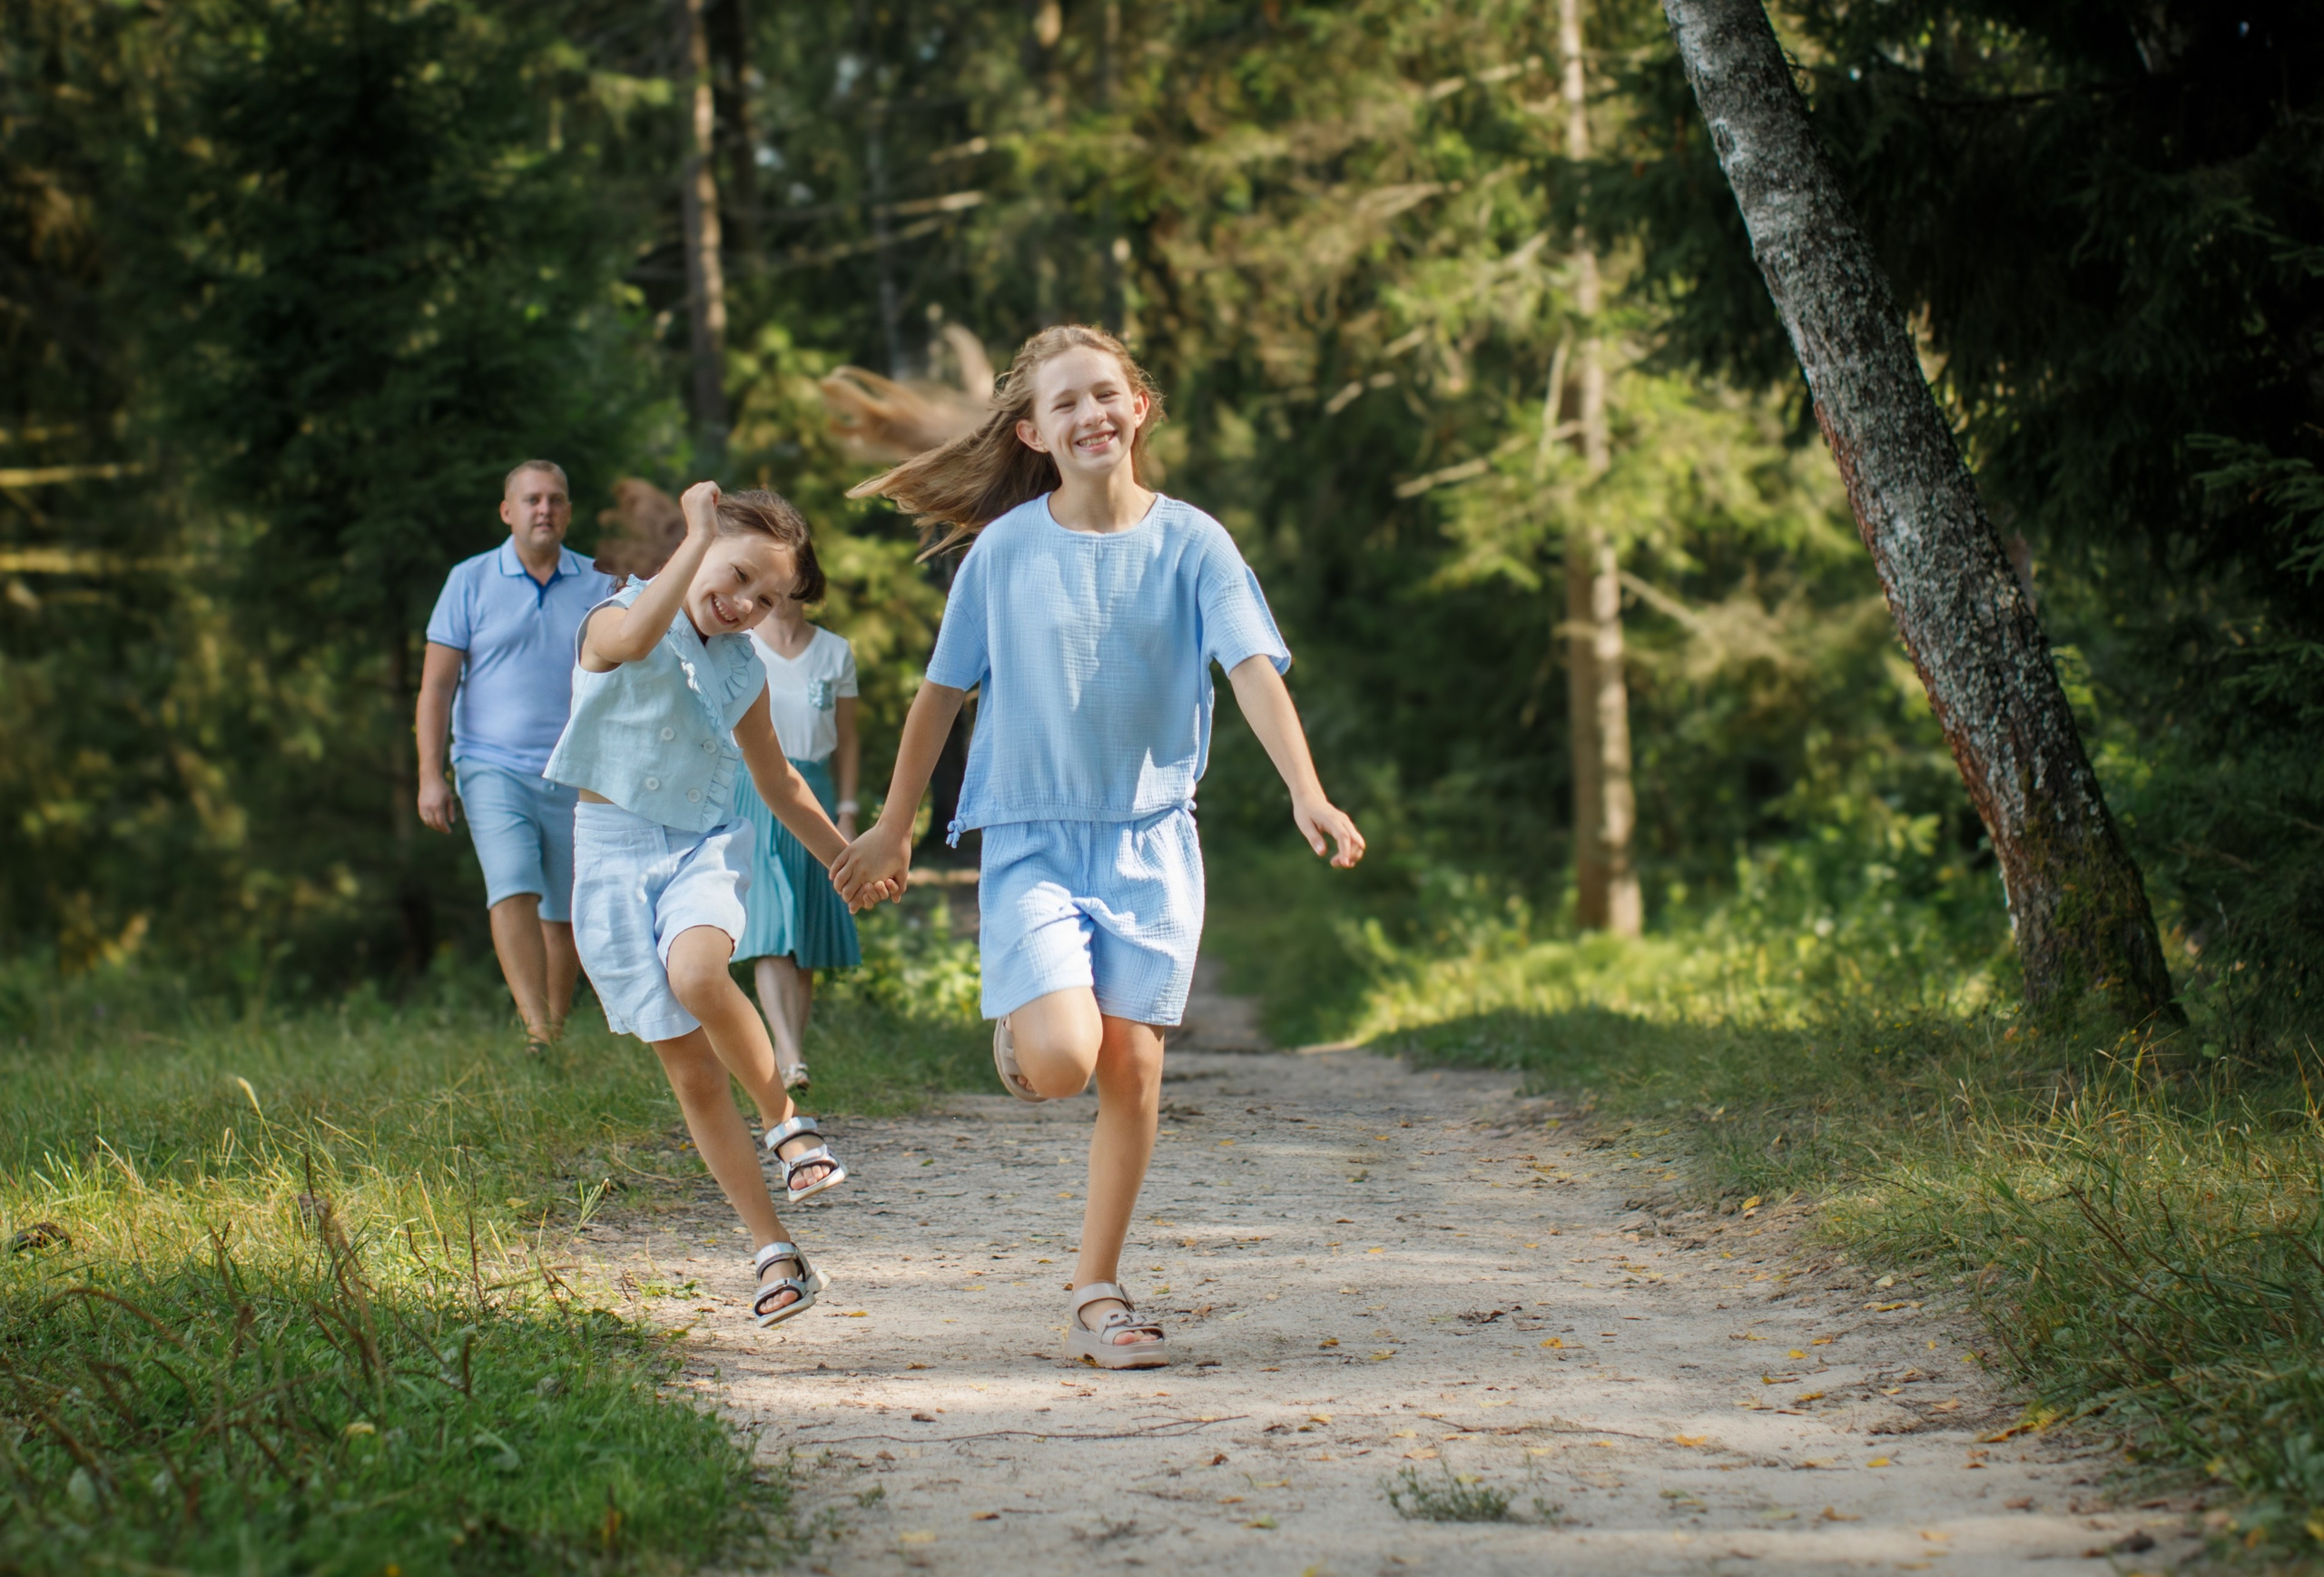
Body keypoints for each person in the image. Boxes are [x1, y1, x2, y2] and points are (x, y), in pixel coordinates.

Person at [833, 325, 1365, 1369]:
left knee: (1132, 1066)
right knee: (1066, 1061)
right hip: (1031, 836)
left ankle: (1098, 1289)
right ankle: (1028, 1037)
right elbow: (940, 694)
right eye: (1065, 403)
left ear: (1140, 409)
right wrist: (893, 823)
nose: (1090, 415)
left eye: (1105, 394)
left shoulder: (1194, 544)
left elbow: (1252, 668)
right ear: (1032, 432)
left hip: (1153, 842)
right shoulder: (1005, 551)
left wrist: (1307, 790)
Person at [545, 479, 897, 1326]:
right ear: (698, 544)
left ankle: (789, 1123)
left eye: (767, 598)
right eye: (738, 576)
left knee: (701, 973)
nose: (746, 605)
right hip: (613, 860)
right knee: (693, 1075)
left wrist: (849, 861)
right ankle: (775, 1251)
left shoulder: (741, 668)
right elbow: (633, 642)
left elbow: (776, 783)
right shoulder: (612, 617)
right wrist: (696, 537)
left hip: (698, 845)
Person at [418, 461, 615, 1050]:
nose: (544, 510)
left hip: (576, 766)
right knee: (512, 886)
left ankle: (550, 1031)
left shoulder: (600, 582)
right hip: (489, 762)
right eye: (531, 500)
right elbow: (436, 685)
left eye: (555, 499)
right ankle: (537, 1031)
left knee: (566, 912)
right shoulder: (469, 580)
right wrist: (432, 774)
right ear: (508, 511)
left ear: (569, 511)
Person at [735, 530, 864, 1092]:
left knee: (804, 930)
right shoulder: (740, 647)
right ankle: (787, 1056)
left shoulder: (835, 652)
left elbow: (850, 741)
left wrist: (848, 810)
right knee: (769, 925)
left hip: (810, 793)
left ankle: (793, 1051)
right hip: (754, 793)